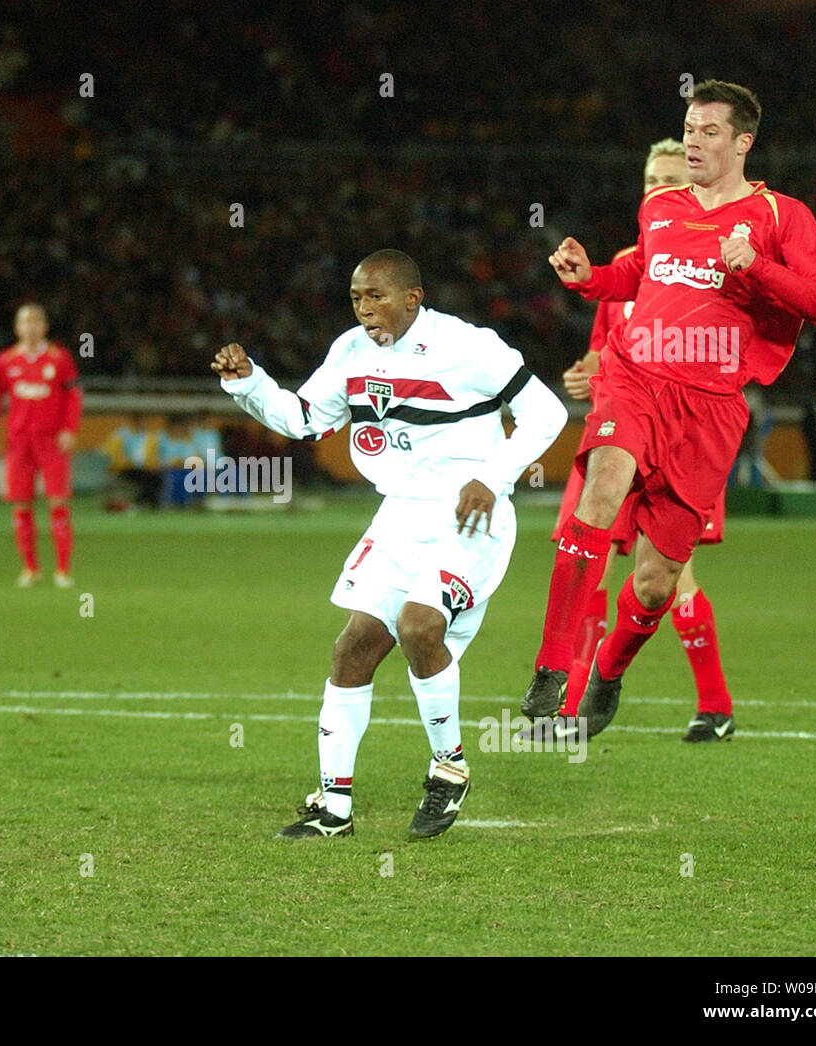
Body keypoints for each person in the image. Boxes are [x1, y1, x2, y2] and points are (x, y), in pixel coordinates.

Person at [523, 81, 816, 739]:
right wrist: (589, 280)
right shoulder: (662, 207)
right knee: (601, 487)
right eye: (689, 129)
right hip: (636, 381)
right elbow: (639, 275)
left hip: (710, 408)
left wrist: (757, 267)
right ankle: (552, 669)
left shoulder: (783, 217)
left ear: (743, 142)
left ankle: (608, 674)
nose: (694, 141)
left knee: (656, 581)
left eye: (709, 132)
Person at [212, 249, 566, 839]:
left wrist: (493, 477)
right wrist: (249, 383)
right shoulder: (349, 352)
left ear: (412, 298)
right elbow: (304, 419)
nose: (364, 309)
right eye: (355, 298)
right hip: (400, 517)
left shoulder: (468, 346)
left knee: (420, 626)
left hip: (468, 517)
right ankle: (333, 809)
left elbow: (546, 413)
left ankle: (448, 768)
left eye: (376, 297)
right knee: (353, 647)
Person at [526, 139, 737, 744]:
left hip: (684, 433)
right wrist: (585, 370)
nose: (657, 188)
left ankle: (714, 704)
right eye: (650, 179)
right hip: (623, 427)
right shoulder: (629, 259)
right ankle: (566, 702)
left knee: (665, 580)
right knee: (583, 550)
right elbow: (604, 344)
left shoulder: (713, 257)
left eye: (670, 179)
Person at [0, 303, 83, 587]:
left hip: (51, 441)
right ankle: (30, 568)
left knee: (58, 503)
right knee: (21, 506)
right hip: (19, 442)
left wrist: (69, 429)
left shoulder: (60, 359)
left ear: (45, 327)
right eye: (26, 322)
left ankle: (62, 570)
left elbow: (74, 397)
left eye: (36, 321)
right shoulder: (5, 361)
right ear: (17, 328)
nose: (31, 327)